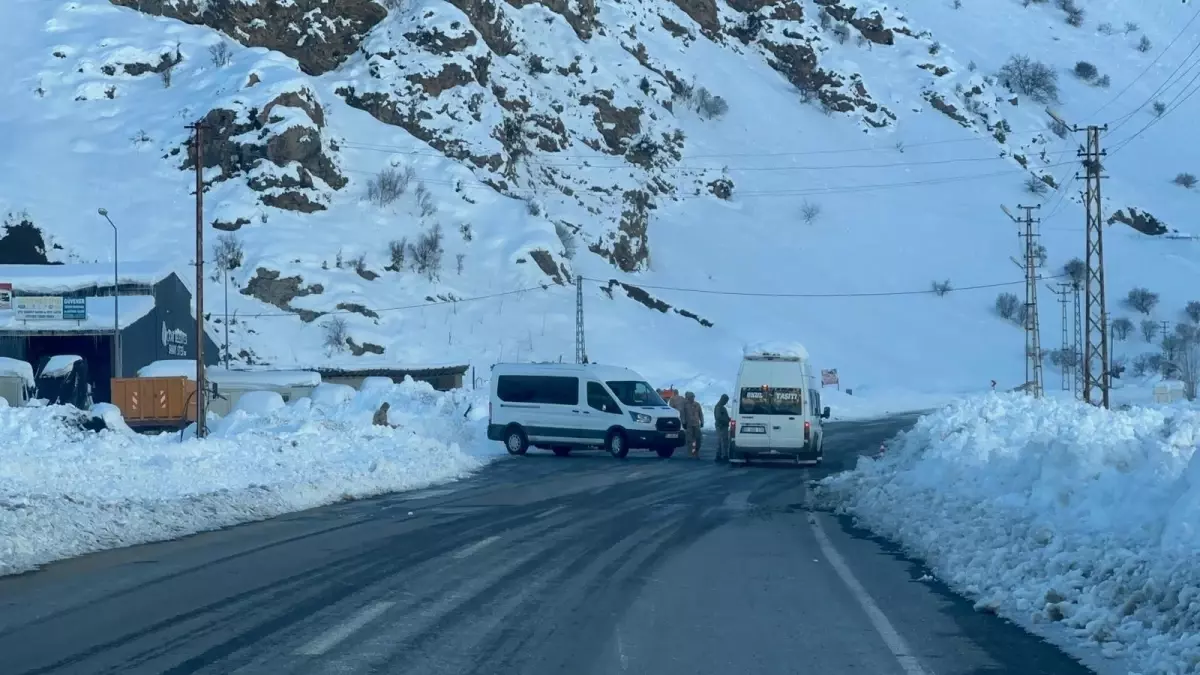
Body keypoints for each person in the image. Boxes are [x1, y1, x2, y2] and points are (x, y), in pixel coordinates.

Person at [682, 391, 703, 458]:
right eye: (691, 397)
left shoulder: (697, 405)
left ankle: (696, 452)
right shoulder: (685, 405)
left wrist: (702, 421)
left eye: (693, 397)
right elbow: (683, 414)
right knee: (690, 440)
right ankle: (691, 453)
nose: (692, 398)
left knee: (698, 439)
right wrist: (683, 422)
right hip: (689, 425)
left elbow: (700, 414)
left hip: (696, 424)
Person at [713, 393, 731, 462]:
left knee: (724, 441)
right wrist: (726, 420)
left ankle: (722, 455)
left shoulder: (722, 407)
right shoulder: (719, 407)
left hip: (723, 426)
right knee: (722, 441)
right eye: (726, 400)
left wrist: (728, 419)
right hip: (721, 426)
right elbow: (718, 417)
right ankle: (721, 455)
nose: (726, 402)